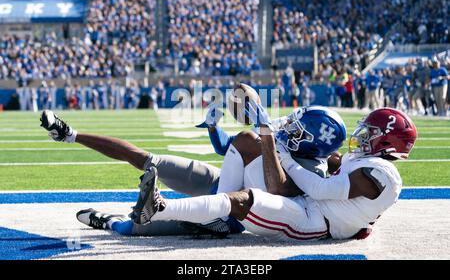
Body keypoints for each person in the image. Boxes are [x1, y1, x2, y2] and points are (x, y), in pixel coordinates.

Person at [39, 103, 345, 237]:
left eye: (298, 127)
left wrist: (265, 136)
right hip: (219, 184)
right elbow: (229, 146)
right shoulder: (281, 138)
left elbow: (277, 187)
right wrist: (214, 127)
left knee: (129, 229)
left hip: (227, 217)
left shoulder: (311, 171)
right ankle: (69, 134)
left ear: (313, 144)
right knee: (148, 159)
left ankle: (107, 221)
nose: (289, 125)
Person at [127, 104, 417, 241]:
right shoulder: (364, 164)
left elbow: (318, 189)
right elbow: (332, 168)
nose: (363, 135)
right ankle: (159, 209)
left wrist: (285, 157)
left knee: (246, 198)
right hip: (310, 208)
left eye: (372, 132)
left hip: (314, 222)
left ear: (388, 141)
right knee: (241, 197)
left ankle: (161, 209)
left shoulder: (382, 174)